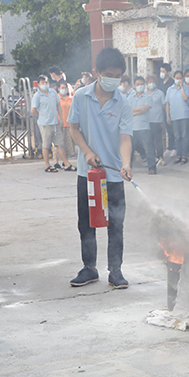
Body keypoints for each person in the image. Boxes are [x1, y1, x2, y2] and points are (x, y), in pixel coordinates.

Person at [67, 47, 133, 289]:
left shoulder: (123, 102)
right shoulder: (81, 96)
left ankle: (115, 270)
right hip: (88, 174)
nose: (112, 80)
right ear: (96, 72)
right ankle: (89, 268)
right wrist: (87, 152)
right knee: (86, 222)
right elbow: (73, 128)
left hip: (114, 174)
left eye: (117, 76)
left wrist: (125, 164)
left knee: (116, 223)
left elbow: (125, 138)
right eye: (108, 74)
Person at [31, 75, 74, 173]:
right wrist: (41, 116)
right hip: (45, 124)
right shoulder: (37, 96)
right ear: (38, 84)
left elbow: (58, 105)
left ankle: (66, 164)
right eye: (43, 83)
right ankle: (47, 165)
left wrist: (61, 118)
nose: (45, 84)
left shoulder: (53, 93)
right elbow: (33, 110)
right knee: (46, 145)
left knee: (60, 144)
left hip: (55, 123)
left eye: (46, 82)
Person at [127, 77, 157, 175]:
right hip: (132, 128)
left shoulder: (148, 97)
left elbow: (146, 108)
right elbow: (127, 111)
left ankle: (152, 168)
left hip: (144, 128)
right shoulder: (130, 98)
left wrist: (133, 111)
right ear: (134, 86)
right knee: (129, 151)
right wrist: (138, 110)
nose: (139, 86)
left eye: (141, 84)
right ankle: (128, 169)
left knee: (148, 149)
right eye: (137, 84)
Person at [165, 70, 189, 164]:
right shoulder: (170, 89)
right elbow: (167, 104)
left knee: (184, 136)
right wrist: (168, 116)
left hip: (184, 115)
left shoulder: (186, 88)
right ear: (174, 79)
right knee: (177, 136)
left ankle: (184, 155)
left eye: (180, 78)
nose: (179, 80)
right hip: (174, 116)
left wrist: (181, 87)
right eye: (177, 78)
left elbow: (185, 98)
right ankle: (179, 155)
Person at [145, 74, 166, 166]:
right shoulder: (144, 94)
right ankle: (153, 157)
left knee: (158, 140)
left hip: (157, 120)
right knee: (149, 141)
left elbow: (164, 106)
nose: (151, 84)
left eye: (153, 82)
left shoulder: (160, 93)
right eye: (149, 82)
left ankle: (161, 157)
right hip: (146, 121)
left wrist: (164, 119)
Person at [158, 63, 175, 153]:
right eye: (161, 71)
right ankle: (168, 147)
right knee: (165, 129)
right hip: (161, 109)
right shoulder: (159, 83)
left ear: (168, 72)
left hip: (170, 108)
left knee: (171, 128)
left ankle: (173, 146)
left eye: (163, 71)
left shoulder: (171, 82)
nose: (161, 73)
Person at [57, 80, 76, 159]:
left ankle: (68, 159)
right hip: (60, 124)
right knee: (61, 143)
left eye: (65, 88)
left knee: (69, 143)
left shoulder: (70, 99)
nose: (64, 89)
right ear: (58, 88)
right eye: (62, 87)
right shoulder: (57, 98)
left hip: (69, 124)